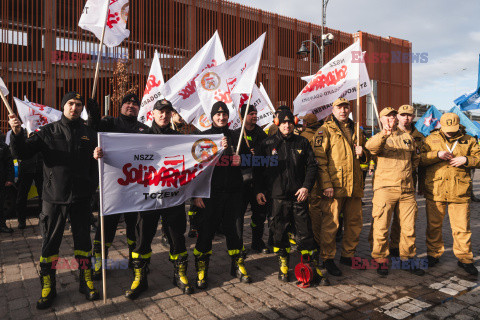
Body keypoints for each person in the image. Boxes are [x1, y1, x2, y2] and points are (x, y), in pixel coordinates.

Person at [94, 99, 193, 298]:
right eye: (160, 112)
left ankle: (180, 275)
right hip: (146, 198)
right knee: (142, 239)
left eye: (167, 112)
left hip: (172, 197)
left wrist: (220, 144)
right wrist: (101, 154)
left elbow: (199, 151)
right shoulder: (141, 136)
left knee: (177, 238)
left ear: (171, 114)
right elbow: (122, 157)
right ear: (153, 114)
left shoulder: (179, 138)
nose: (164, 116)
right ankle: (140, 278)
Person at [9, 92, 100, 309]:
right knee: (50, 244)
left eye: (79, 105)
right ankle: (48, 286)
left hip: (81, 198)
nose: (75, 108)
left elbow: (96, 163)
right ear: (63, 107)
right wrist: (17, 132)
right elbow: (22, 152)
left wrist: (98, 155)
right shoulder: (47, 131)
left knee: (83, 243)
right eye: (71, 104)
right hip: (54, 199)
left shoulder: (90, 133)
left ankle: (85, 281)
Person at [255, 108, 323, 284]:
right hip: (277, 197)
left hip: (298, 196)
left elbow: (312, 166)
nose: (287, 126)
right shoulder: (267, 143)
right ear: (277, 123)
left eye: (290, 123)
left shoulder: (302, 142)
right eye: (284, 122)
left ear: (294, 124)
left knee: (305, 232)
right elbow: (258, 171)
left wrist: (306, 187)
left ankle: (308, 263)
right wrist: (259, 190)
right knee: (279, 231)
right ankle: (283, 262)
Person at [89, 93, 150, 279]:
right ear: (120, 106)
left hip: (135, 188)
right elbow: (93, 130)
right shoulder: (110, 123)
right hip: (112, 187)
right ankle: (98, 264)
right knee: (105, 228)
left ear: (139, 109)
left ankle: (135, 260)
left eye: (135, 103)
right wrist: (93, 112)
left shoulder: (144, 130)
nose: (131, 105)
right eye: (127, 103)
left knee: (134, 229)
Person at [192, 101, 251, 289]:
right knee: (206, 231)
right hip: (210, 195)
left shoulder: (237, 135)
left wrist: (241, 158)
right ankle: (202, 269)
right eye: (218, 115)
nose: (221, 117)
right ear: (212, 117)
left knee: (235, 230)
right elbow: (195, 168)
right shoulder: (203, 137)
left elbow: (252, 159)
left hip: (233, 193)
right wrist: (197, 195)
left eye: (224, 114)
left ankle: (237, 264)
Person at [312, 98, 369, 276]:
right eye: (339, 107)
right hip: (334, 187)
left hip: (355, 187)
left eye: (346, 107)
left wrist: (364, 153)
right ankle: (328, 258)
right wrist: (326, 184)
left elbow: (366, 157)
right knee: (331, 224)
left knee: (354, 223)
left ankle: (348, 255)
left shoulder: (357, 130)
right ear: (333, 109)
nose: (343, 110)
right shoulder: (324, 130)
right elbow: (319, 161)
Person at [365, 107, 423, 276]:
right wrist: (385, 133)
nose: (391, 119)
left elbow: (415, 160)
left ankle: (407, 258)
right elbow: (372, 148)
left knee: (409, 227)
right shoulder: (379, 137)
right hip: (385, 189)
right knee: (381, 226)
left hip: (406, 190)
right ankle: (381, 259)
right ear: (381, 119)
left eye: (393, 116)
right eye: (387, 117)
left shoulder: (407, 137)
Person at [420, 113, 480, 275]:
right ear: (440, 125)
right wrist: (436, 155)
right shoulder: (430, 139)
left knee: (462, 228)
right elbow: (419, 159)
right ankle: (433, 254)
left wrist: (466, 160)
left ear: (459, 125)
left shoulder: (469, 139)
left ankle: (465, 259)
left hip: (459, 191)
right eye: (447, 129)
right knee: (433, 226)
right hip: (436, 189)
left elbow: (479, 158)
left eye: (453, 129)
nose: (450, 132)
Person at [388, 105, 425, 257]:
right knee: (387, 221)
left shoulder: (419, 137)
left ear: (413, 116)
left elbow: (421, 162)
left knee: (406, 221)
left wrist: (421, 184)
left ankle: (403, 252)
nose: (406, 118)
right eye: (403, 115)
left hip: (409, 182)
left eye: (409, 115)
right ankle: (393, 245)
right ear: (398, 116)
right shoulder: (390, 133)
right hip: (390, 183)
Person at [236, 103, 270, 253]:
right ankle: (238, 244)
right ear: (243, 117)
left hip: (258, 183)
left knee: (259, 216)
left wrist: (259, 156)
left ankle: (257, 242)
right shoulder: (236, 135)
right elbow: (230, 159)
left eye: (256, 113)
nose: (255, 116)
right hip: (240, 183)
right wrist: (244, 156)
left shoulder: (263, 136)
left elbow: (269, 160)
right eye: (251, 114)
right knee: (239, 216)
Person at [15, 131, 43, 229]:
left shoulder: (41, 131)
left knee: (43, 196)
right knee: (22, 196)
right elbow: (15, 150)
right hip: (26, 169)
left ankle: (42, 219)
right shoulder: (21, 132)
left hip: (40, 168)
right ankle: (21, 221)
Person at [0, 138, 14, 233]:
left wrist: (9, 178)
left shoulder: (3, 146)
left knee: (1, 204)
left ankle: (2, 225)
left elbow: (9, 163)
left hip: (1, 180)